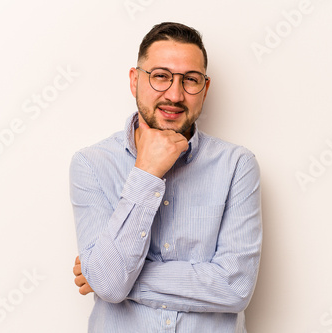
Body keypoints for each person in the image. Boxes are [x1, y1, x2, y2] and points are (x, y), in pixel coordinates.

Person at [70, 22, 262, 332]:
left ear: (205, 88)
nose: (174, 94)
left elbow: (235, 287)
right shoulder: (91, 164)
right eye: (160, 76)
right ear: (135, 81)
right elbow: (108, 283)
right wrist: (146, 172)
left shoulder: (237, 165)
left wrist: (109, 276)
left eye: (190, 80)